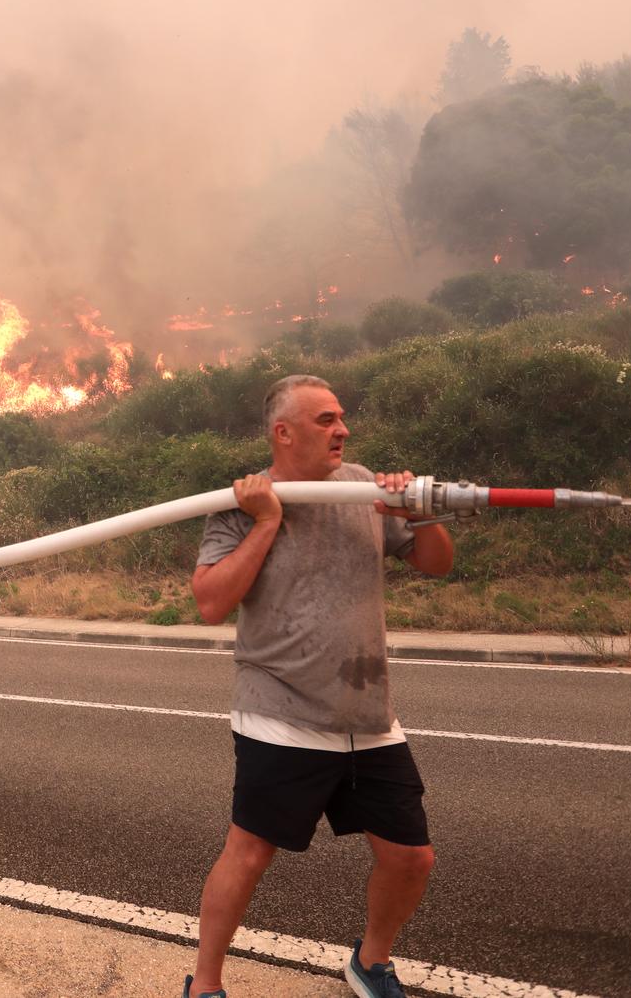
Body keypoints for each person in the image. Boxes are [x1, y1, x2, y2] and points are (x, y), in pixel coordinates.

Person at [182, 374, 454, 998]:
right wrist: (266, 522)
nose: (343, 429)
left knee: (412, 857)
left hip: (368, 711)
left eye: (342, 417)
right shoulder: (243, 501)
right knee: (249, 853)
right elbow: (210, 603)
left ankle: (368, 963)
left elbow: (435, 563)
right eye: (326, 419)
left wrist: (422, 514)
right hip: (280, 708)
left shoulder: (362, 486)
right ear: (283, 432)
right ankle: (204, 985)